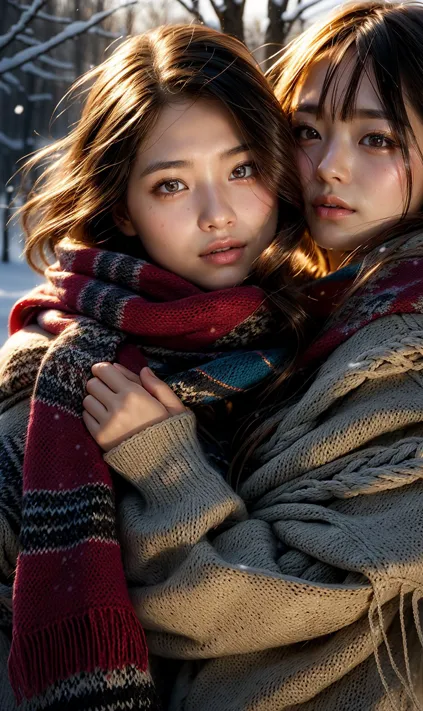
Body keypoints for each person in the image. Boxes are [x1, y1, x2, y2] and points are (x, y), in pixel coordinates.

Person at [79, 3, 423, 709]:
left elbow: (302, 609)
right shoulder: (318, 319)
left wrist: (167, 469)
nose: (328, 167)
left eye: (377, 139)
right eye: (308, 130)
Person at [0, 24, 321, 711]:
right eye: (171, 185)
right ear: (124, 206)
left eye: (241, 169)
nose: (217, 214)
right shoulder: (56, 388)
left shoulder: (305, 341)